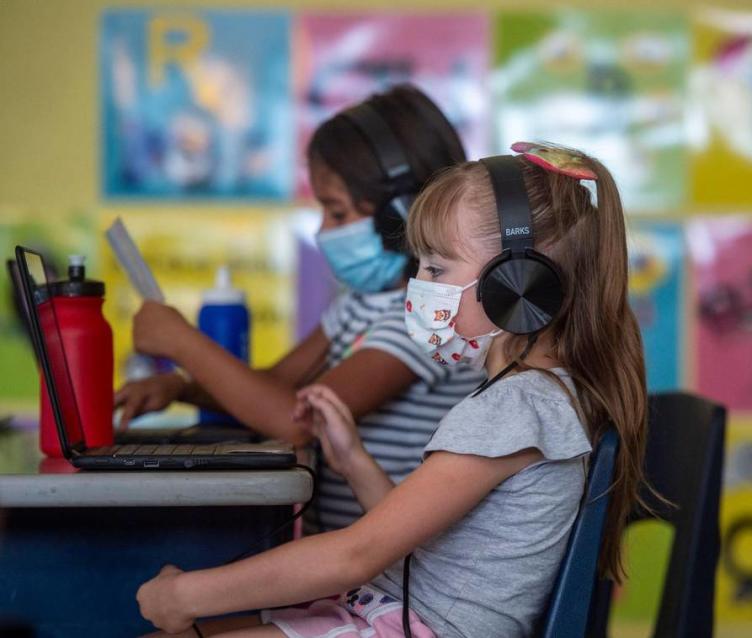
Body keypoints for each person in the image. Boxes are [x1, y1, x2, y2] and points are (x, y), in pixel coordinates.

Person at [136, 143, 649, 638]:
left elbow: (353, 557)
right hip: (396, 613)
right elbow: (426, 548)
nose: (417, 284)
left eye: (436, 268)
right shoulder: (540, 397)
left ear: (516, 282)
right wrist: (355, 461)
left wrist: (186, 595)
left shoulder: (514, 408)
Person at [117, 85, 485, 532]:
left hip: (383, 574)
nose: (321, 231)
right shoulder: (360, 306)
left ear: (400, 214)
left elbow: (298, 420)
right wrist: (181, 387)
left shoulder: (426, 320)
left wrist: (182, 342)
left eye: (336, 212)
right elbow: (274, 385)